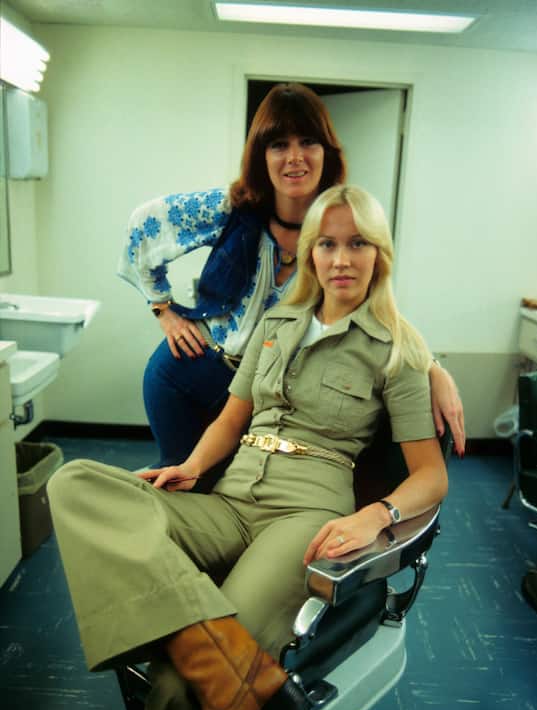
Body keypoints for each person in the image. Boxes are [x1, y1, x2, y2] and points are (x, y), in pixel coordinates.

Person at [49, 183, 448, 710]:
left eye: (358, 245)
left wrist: (376, 515)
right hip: (229, 499)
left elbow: (431, 476)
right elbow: (233, 418)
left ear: (380, 254)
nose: (341, 260)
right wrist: (190, 466)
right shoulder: (277, 321)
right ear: (310, 253)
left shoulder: (399, 349)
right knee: (76, 484)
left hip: (305, 513)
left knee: (179, 683)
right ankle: (239, 665)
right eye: (327, 245)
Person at [118, 83, 465, 470]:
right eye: (278, 144)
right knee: (180, 478)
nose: (294, 158)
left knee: (235, 489)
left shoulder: (338, 227)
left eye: (308, 141)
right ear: (261, 155)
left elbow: (378, 303)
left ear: (326, 152)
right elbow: (144, 225)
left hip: (264, 391)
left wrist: (432, 367)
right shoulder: (231, 207)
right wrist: (163, 309)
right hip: (186, 373)